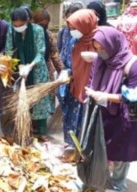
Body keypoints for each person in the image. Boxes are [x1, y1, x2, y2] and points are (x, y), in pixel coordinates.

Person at [85, 26, 137, 192]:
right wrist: (92, 94)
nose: (101, 52)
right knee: (100, 149)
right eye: (97, 49)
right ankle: (96, 180)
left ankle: (118, 186)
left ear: (114, 44)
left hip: (123, 117)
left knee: (121, 154)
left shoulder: (132, 65)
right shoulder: (101, 61)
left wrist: (105, 97)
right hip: (103, 113)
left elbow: (133, 96)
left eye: (103, 48)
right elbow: (92, 80)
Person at [5, 7, 53, 140]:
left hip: (37, 69)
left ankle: (42, 131)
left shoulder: (38, 30)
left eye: (21, 25)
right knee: (23, 100)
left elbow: (41, 52)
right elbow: (9, 50)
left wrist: (30, 66)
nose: (18, 27)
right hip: (20, 70)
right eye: (15, 25)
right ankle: (27, 129)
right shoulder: (11, 30)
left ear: (28, 21)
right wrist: (18, 65)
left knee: (39, 100)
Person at [59, 9, 98, 161]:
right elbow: (66, 61)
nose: (72, 31)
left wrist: (97, 58)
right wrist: (66, 72)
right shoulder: (73, 42)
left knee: (87, 122)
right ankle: (73, 148)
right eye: (71, 28)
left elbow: (109, 63)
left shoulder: (99, 41)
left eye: (75, 28)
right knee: (72, 118)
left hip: (92, 88)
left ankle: (88, 154)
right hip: (74, 86)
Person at [33, 9, 63, 81]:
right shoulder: (29, 35)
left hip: (45, 69)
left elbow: (54, 54)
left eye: (46, 25)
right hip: (30, 69)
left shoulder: (49, 35)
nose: (43, 28)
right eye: (41, 25)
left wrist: (62, 71)